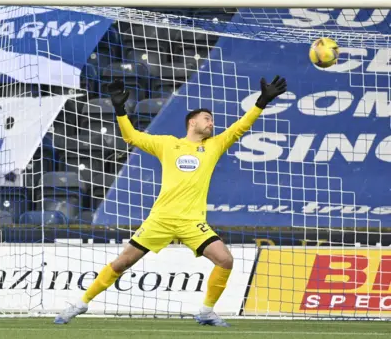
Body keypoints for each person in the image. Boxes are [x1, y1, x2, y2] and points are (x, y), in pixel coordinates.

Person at [54, 76, 287, 326]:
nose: (212, 123)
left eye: (213, 120)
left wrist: (262, 101)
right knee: (122, 263)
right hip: (160, 220)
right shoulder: (167, 144)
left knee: (226, 260)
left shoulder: (215, 145)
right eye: (207, 118)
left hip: (192, 222)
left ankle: (206, 311)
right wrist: (120, 109)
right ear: (192, 122)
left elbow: (241, 127)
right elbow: (131, 137)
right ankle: (80, 304)